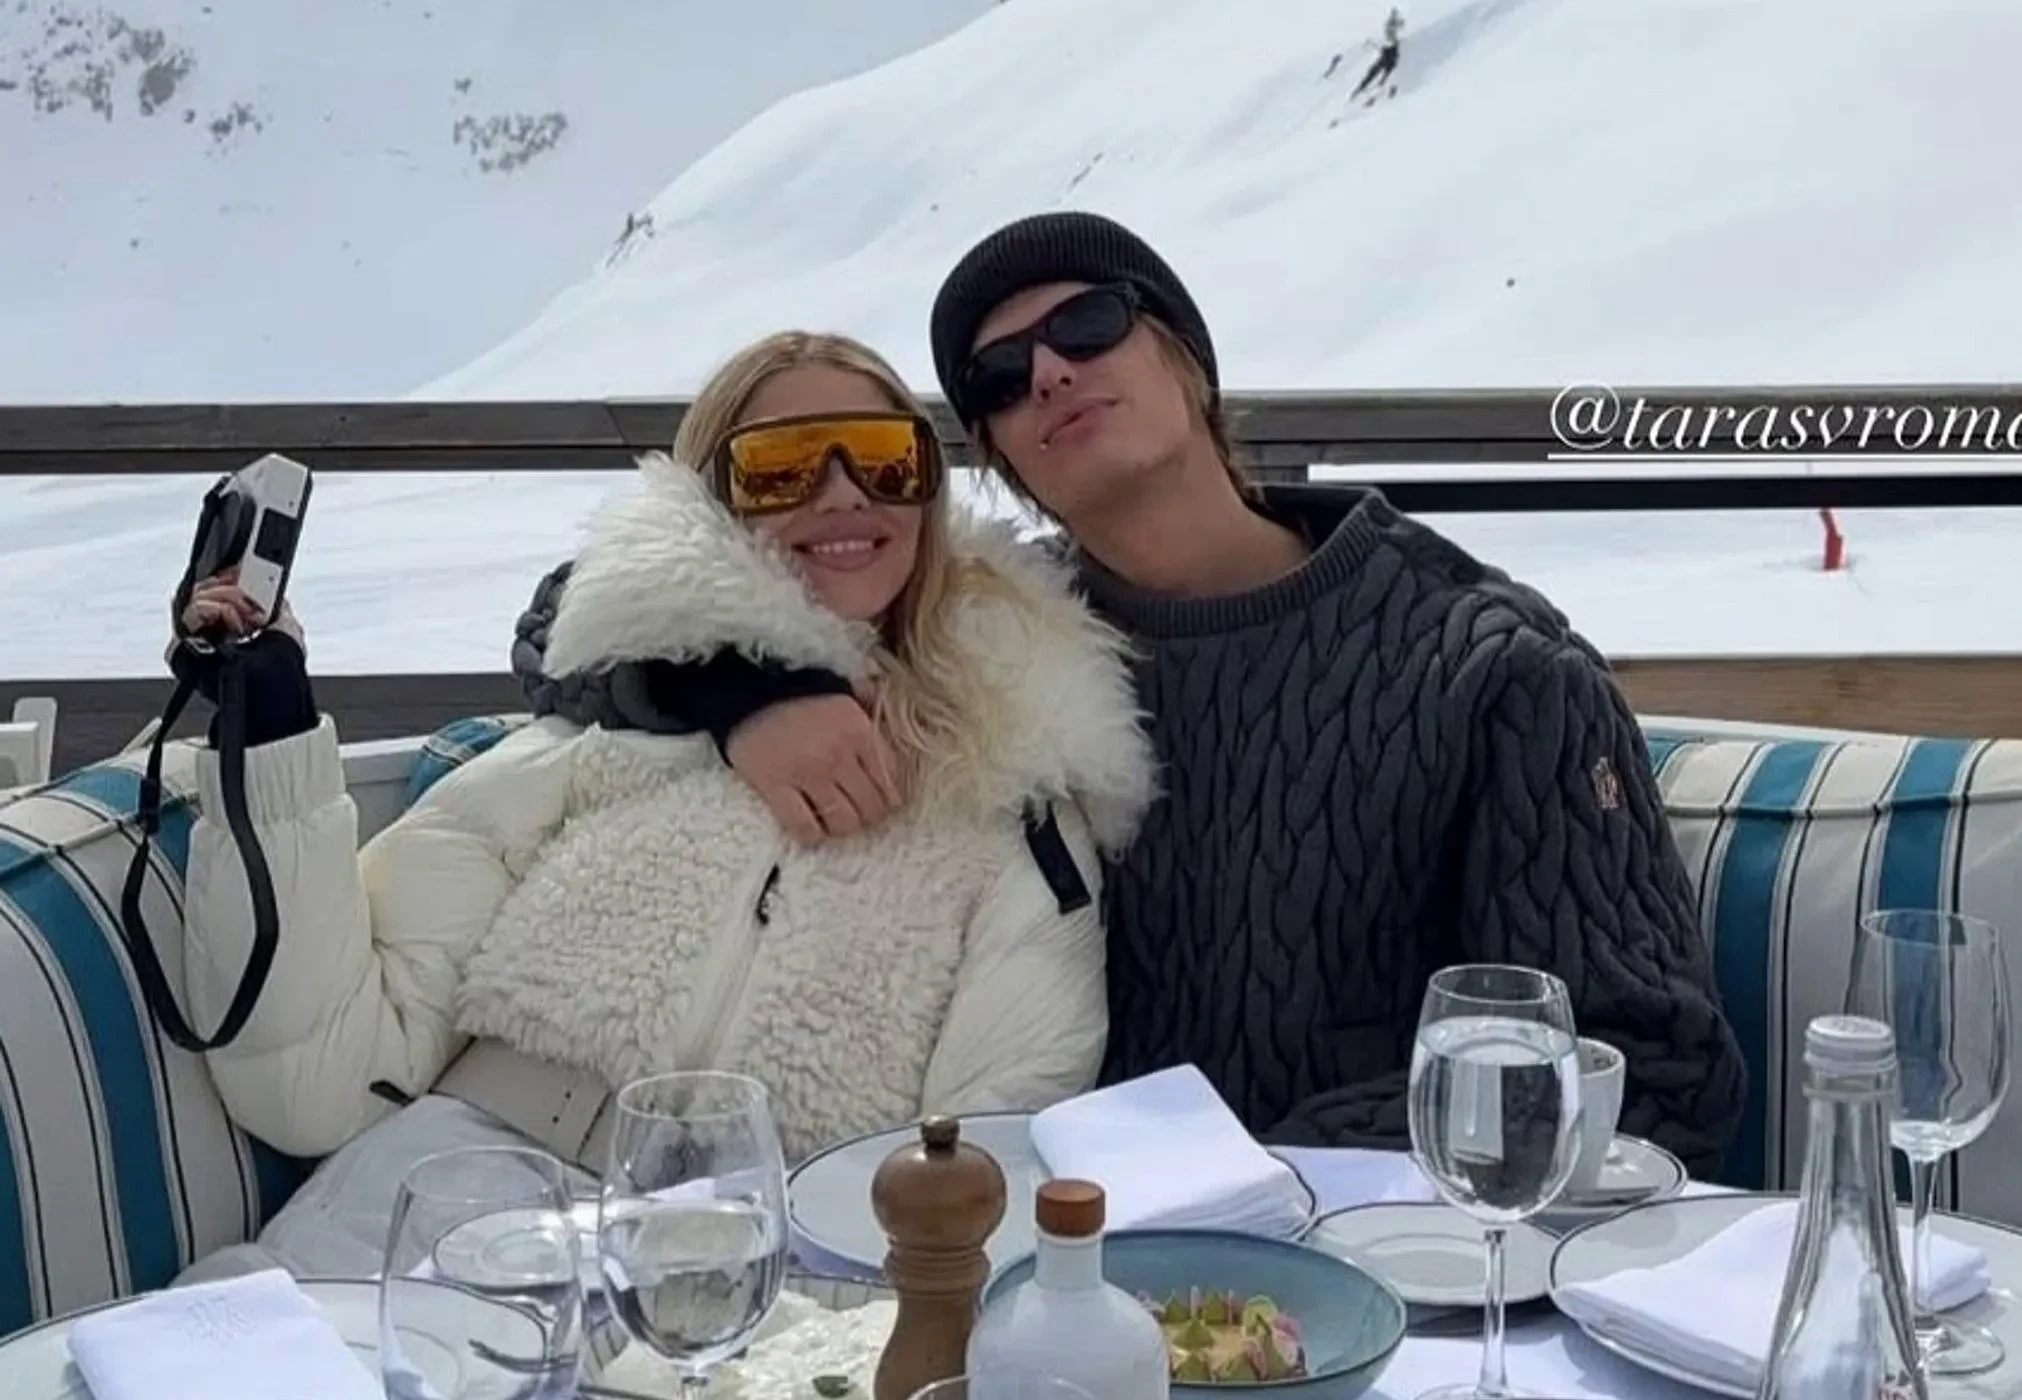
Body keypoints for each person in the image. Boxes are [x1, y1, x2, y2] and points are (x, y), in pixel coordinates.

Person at [511, 213, 1749, 1181]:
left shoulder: (1486, 666)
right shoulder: (988, 638)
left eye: (1089, 323)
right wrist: (745, 684)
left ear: (1189, 363)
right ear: (998, 457)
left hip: (1369, 1261)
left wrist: (1255, 1170)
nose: (1048, 370)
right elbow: (564, 622)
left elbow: (1646, 1065)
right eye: (998, 375)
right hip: (1028, 1246)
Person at [166, 328, 1155, 1279]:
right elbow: (316, 1075)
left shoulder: (1010, 808)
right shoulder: (598, 739)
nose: (843, 492)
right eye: (782, 467)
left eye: (885, 458)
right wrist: (271, 723)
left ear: (929, 491)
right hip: (428, 1217)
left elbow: (975, 1178)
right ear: (709, 501)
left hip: (750, 1282)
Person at [1351, 7, 1404, 99]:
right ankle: (1366, 89)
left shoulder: (1391, 24)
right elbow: (1395, 28)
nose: (1395, 17)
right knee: (1384, 70)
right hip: (1389, 50)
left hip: (1388, 50)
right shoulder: (1390, 24)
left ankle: (1367, 88)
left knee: (1380, 71)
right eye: (1394, 15)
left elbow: (1397, 27)